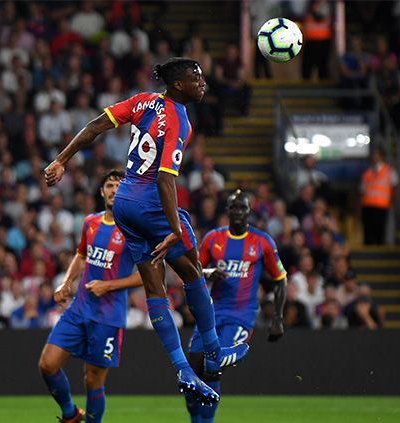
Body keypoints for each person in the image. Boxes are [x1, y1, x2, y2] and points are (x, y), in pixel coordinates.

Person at [44, 57, 248, 406]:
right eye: (195, 78)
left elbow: (95, 125)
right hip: (150, 199)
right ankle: (214, 351)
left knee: (155, 286)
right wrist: (172, 229)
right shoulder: (181, 121)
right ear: (178, 85)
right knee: (192, 271)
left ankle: (183, 369)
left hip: (123, 203)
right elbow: (167, 179)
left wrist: (62, 159)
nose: (202, 84)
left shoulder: (142, 101)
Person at [38, 170, 142, 423]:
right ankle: (70, 414)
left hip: (108, 317)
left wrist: (109, 286)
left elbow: (147, 276)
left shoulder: (135, 230)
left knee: (92, 379)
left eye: (119, 186)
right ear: (102, 191)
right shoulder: (90, 222)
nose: (114, 190)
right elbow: (82, 254)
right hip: (79, 309)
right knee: (47, 364)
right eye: (109, 185)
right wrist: (66, 282)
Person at [186, 189, 287, 422]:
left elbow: (281, 279)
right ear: (227, 211)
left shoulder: (262, 242)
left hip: (242, 314)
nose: (239, 212)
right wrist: (209, 272)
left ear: (249, 211)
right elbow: (193, 271)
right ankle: (196, 414)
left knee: (213, 364)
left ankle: (236, 352)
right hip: (211, 312)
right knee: (191, 373)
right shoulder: (213, 238)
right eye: (235, 207)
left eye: (243, 207)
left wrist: (278, 318)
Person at [360, 147, 398, 245]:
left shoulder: (389, 170)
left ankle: (379, 246)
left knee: (379, 228)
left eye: (377, 154)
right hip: (367, 205)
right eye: (373, 155)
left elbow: (394, 186)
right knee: (368, 228)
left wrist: (392, 201)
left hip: (382, 205)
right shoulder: (368, 172)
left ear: (382, 156)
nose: (374, 157)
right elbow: (362, 189)